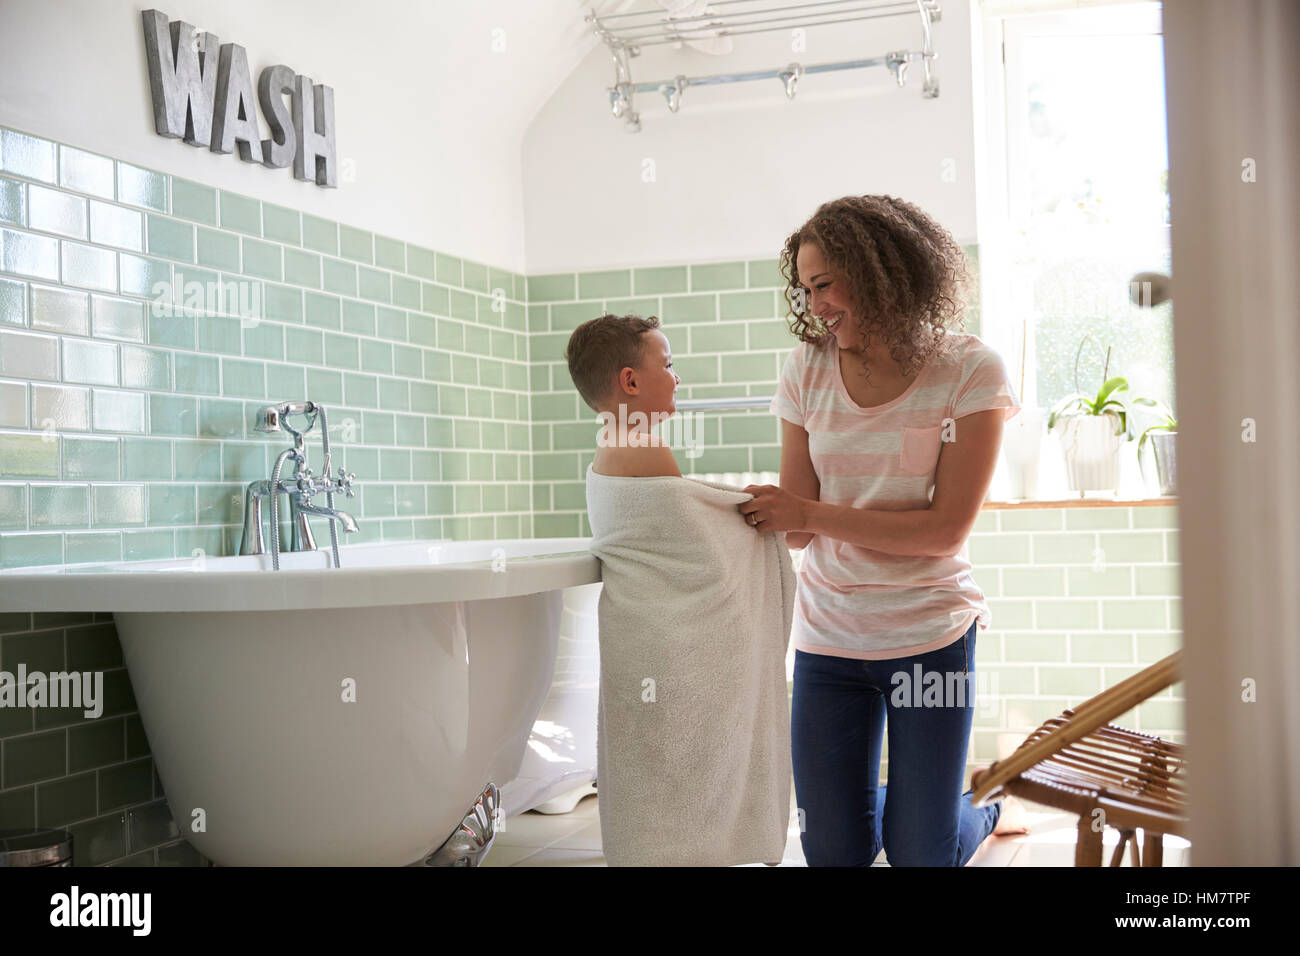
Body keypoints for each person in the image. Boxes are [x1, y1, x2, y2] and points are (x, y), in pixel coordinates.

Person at [736, 194, 1030, 866]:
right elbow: (800, 528)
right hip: (829, 640)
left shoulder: (970, 370)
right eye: (806, 289)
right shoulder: (806, 370)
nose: (815, 307)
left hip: (929, 636)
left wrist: (805, 514)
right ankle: (922, 806)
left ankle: (983, 807)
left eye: (825, 285)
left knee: (921, 854)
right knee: (834, 853)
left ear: (880, 272)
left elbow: (944, 531)